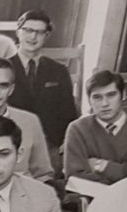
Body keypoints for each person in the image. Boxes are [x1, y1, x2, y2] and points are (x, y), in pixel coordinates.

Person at [7, 10, 78, 161]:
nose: (33, 37)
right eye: (28, 30)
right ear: (18, 32)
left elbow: (69, 112)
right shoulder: (3, 68)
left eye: (40, 32)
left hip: (49, 145)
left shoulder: (59, 71)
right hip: (10, 143)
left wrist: (65, 143)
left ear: (47, 36)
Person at [63, 69, 127, 183]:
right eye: (97, 97)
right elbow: (74, 178)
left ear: (123, 95)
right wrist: (125, 173)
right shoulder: (77, 129)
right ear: (89, 100)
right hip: (91, 197)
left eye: (111, 95)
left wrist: (103, 166)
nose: (104, 104)